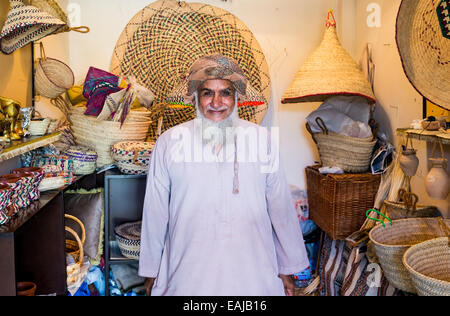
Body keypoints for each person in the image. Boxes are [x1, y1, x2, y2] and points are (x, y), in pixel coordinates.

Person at [138, 54, 309, 296]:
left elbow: (280, 207)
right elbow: (155, 211)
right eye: (208, 93)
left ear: (236, 97)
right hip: (187, 273)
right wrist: (151, 270)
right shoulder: (169, 142)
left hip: (254, 272)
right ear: (196, 97)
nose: (216, 102)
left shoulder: (262, 140)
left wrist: (287, 268)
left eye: (225, 93)